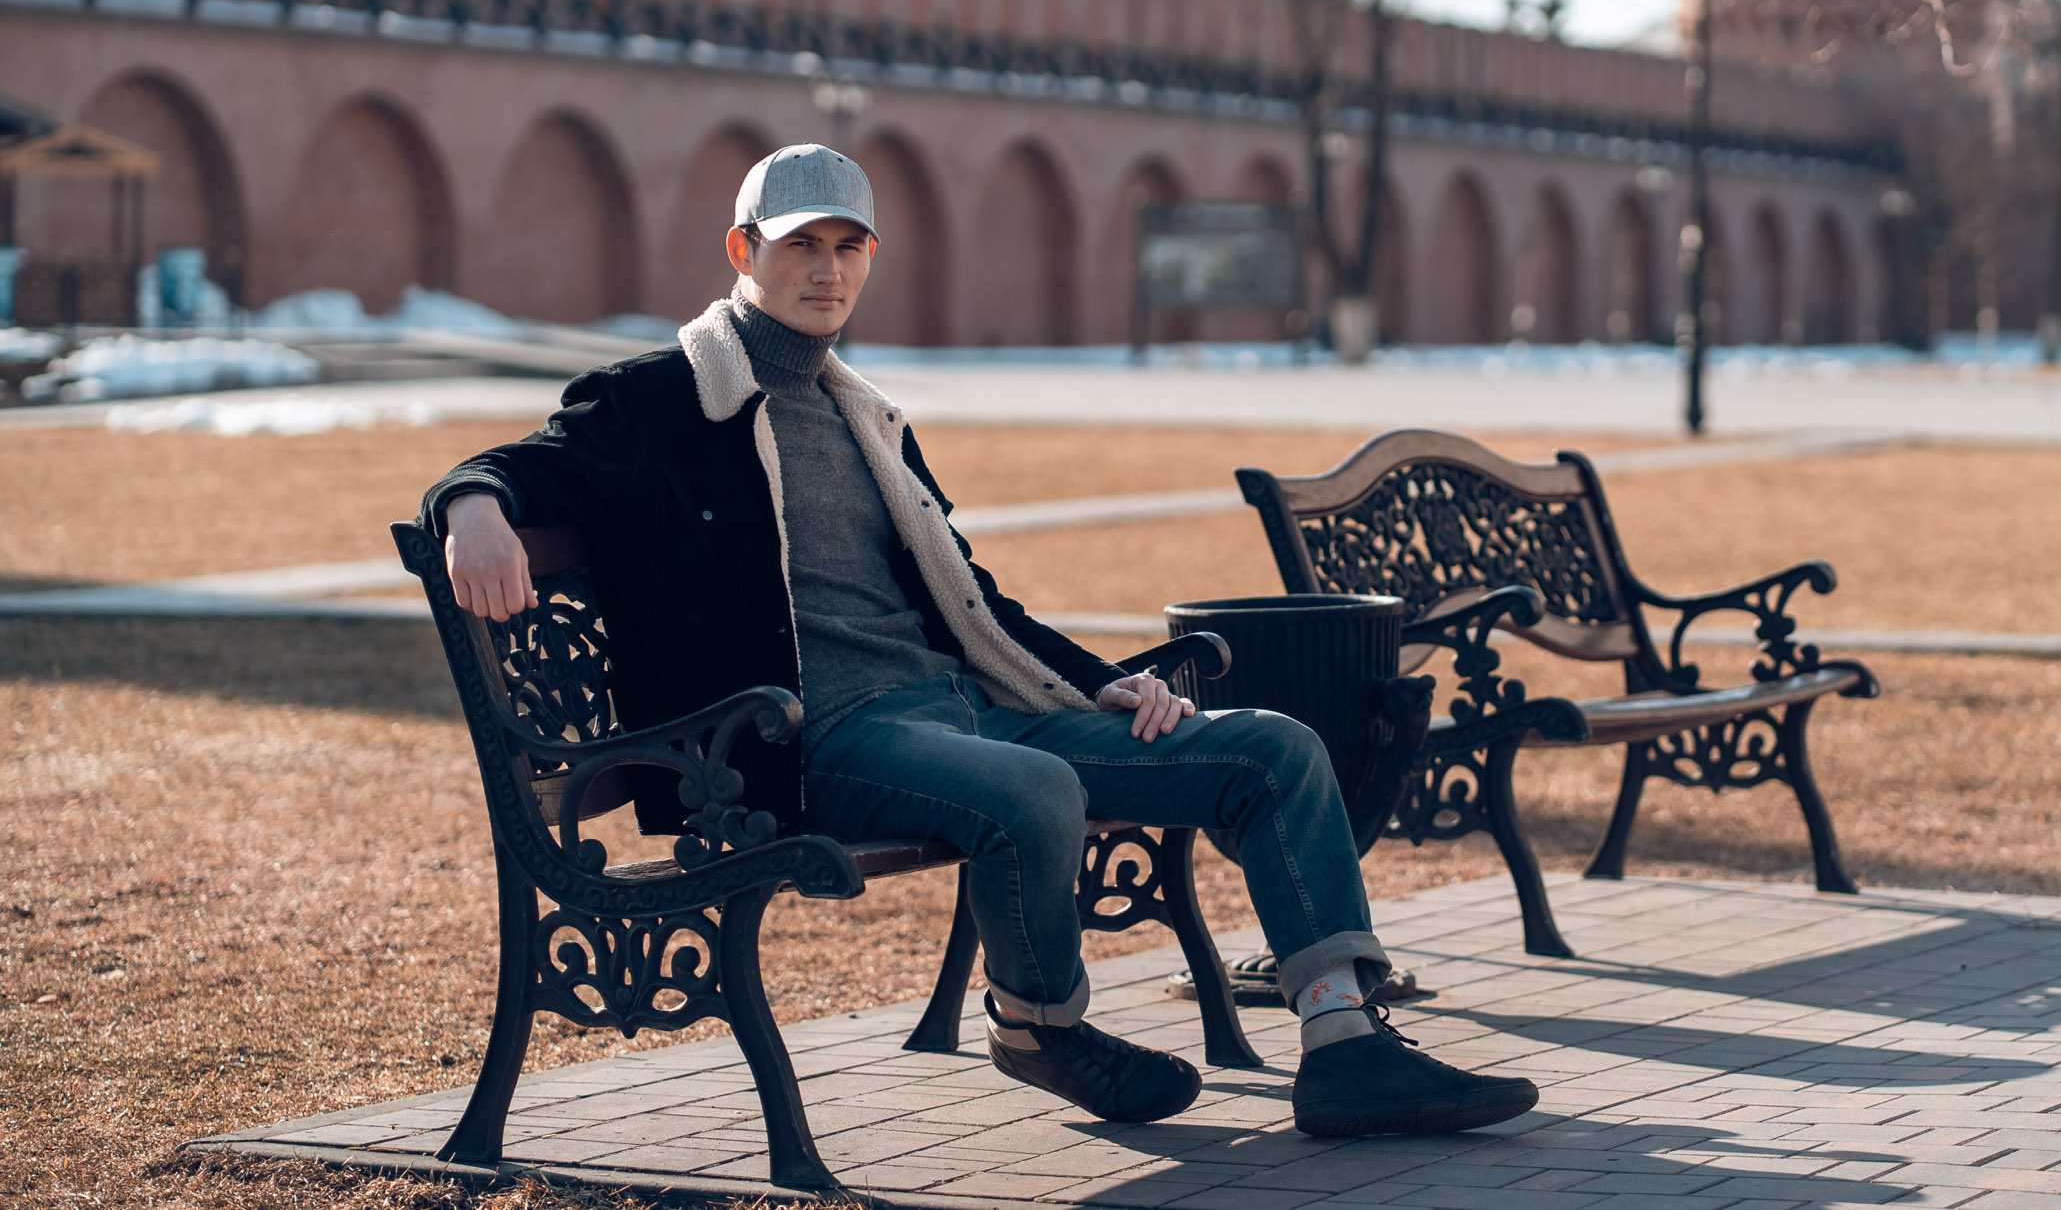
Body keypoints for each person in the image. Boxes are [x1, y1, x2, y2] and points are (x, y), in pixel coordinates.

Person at [425, 143, 1537, 1138]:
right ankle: (1036, 1025)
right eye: (799, 243)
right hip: (809, 742)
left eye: (848, 245)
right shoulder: (656, 400)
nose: (826, 267)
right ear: (741, 251)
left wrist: (1109, 683)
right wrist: (474, 506)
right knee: (1036, 791)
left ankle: (1343, 1042)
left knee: (1271, 747)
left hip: (965, 710)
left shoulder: (868, 415)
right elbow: (519, 464)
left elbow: (975, 603)